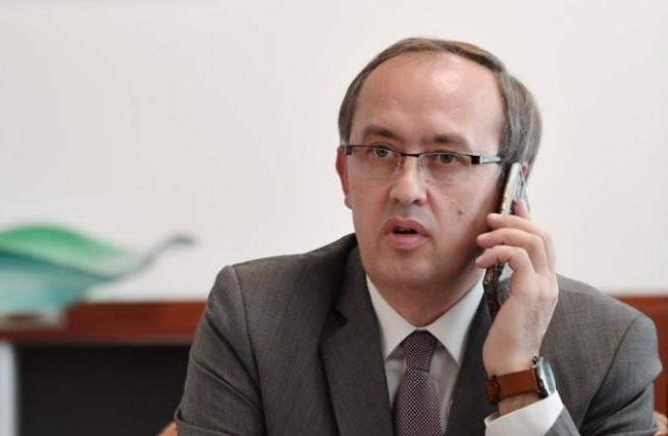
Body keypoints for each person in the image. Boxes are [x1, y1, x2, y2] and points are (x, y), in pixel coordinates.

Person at [174, 37, 662, 435]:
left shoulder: (607, 346)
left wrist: (519, 382)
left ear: (511, 186)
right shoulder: (257, 315)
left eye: (447, 158)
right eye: (380, 151)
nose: (406, 189)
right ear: (345, 175)